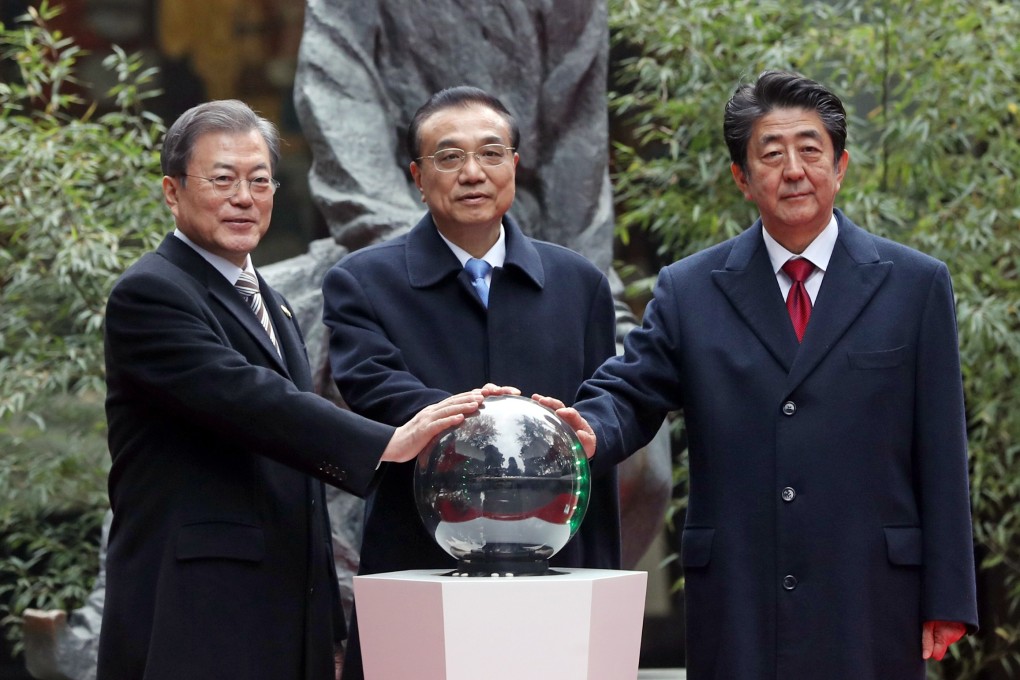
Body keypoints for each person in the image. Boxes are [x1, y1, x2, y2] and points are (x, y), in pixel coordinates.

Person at [539, 70, 979, 679]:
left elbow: (942, 445)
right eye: (771, 155)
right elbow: (630, 390)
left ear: (841, 165)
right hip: (742, 590)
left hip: (871, 588)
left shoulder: (914, 285)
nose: (793, 170)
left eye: (810, 150)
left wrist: (949, 594)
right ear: (742, 178)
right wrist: (585, 426)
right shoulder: (690, 289)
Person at [98, 99, 498, 680]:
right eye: (222, 180)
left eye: (260, 181)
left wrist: (329, 625)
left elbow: (294, 466)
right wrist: (390, 440)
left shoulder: (272, 301)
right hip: (197, 608)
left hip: (286, 608)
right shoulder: (151, 294)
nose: (244, 197)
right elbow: (251, 400)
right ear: (171, 191)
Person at [320, 86, 619, 679]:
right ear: (416, 174)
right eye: (449, 157)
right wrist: (488, 426)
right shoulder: (363, 282)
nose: (472, 173)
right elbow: (373, 385)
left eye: (490, 153)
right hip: (420, 553)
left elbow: (601, 401)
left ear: (515, 164)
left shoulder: (577, 282)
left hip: (552, 556)